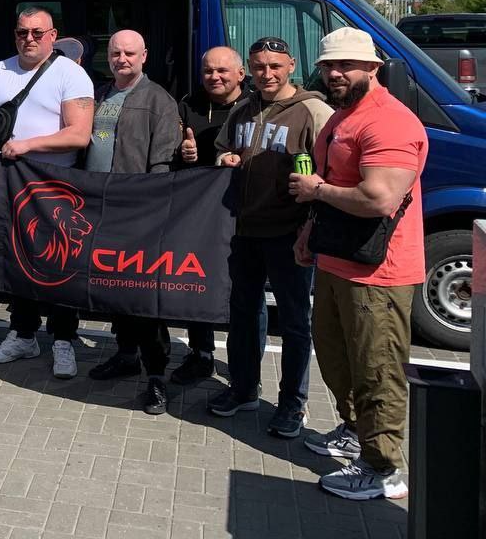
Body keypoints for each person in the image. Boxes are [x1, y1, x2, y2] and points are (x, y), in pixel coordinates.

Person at [289, 28, 427, 501]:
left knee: (377, 369)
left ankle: (384, 468)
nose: (335, 73)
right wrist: (310, 230)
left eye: (346, 65)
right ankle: (355, 431)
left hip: (378, 272)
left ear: (373, 68)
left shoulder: (390, 122)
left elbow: (379, 197)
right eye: (328, 66)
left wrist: (317, 191)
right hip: (337, 259)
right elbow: (331, 179)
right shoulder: (343, 117)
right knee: (336, 357)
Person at [0, 7, 94, 373]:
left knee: (60, 263)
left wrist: (27, 146)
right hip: (10, 182)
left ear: (52, 36)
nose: (29, 39)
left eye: (37, 32)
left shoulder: (71, 75)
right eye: (22, 32)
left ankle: (63, 340)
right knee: (16, 259)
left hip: (56, 183)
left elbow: (79, 134)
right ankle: (23, 334)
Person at [209, 38, 331, 438]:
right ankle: (244, 388)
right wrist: (224, 158)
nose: (267, 74)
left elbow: (331, 170)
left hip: (289, 233)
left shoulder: (314, 111)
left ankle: (293, 403)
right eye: (259, 66)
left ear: (291, 65)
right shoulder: (243, 108)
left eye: (275, 66)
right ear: (249, 68)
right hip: (244, 230)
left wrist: (311, 225)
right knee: (244, 314)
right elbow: (223, 148)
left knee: (295, 322)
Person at [85, 30, 182, 416]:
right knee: (114, 289)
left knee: (143, 296)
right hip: (100, 209)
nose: (121, 59)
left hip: (139, 212)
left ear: (144, 56)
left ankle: (156, 376)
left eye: (129, 53)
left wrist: (153, 213)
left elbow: (163, 162)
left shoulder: (158, 100)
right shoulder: (98, 95)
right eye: (115, 53)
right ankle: (126, 355)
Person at [170, 45, 246, 385]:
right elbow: (176, 149)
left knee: (243, 292)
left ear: (240, 74)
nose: (214, 77)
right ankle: (200, 354)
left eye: (222, 71)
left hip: (243, 212)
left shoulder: (254, 106)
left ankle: (246, 366)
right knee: (197, 283)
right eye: (208, 71)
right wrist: (184, 152)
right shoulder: (190, 104)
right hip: (201, 211)